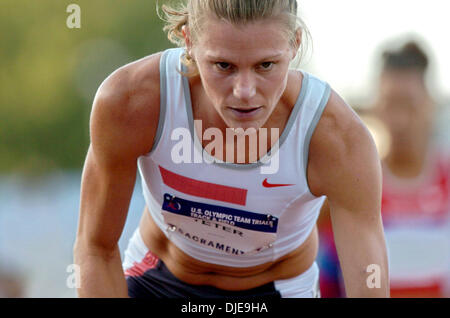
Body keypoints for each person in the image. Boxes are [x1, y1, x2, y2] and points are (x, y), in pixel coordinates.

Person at [73, 0, 389, 298]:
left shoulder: (336, 137)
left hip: (276, 289)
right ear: (189, 42)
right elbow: (96, 249)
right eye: (223, 65)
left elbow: (368, 281)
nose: (245, 92)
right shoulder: (132, 101)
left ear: (295, 43)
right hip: (157, 279)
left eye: (266, 65)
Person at [373, 41, 450, 297]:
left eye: (409, 105)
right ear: (378, 108)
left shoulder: (446, 178)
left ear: (430, 105)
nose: (400, 121)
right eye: (392, 104)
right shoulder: (357, 185)